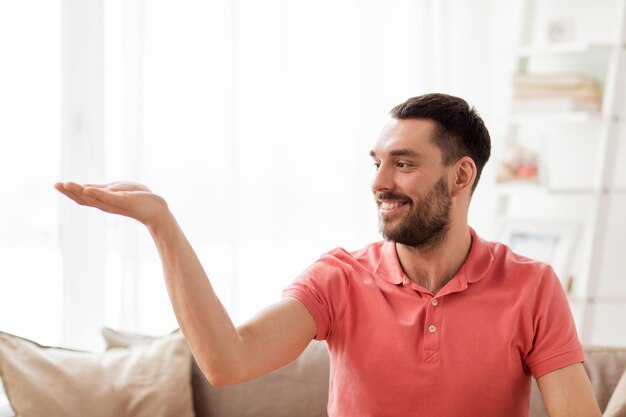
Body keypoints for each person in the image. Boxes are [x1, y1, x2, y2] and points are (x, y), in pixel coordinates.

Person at [55, 93, 601, 417]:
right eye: (377, 163)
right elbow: (228, 361)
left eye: (404, 164)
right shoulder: (339, 278)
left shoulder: (531, 286)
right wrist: (163, 227)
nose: (380, 183)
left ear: (461, 176)